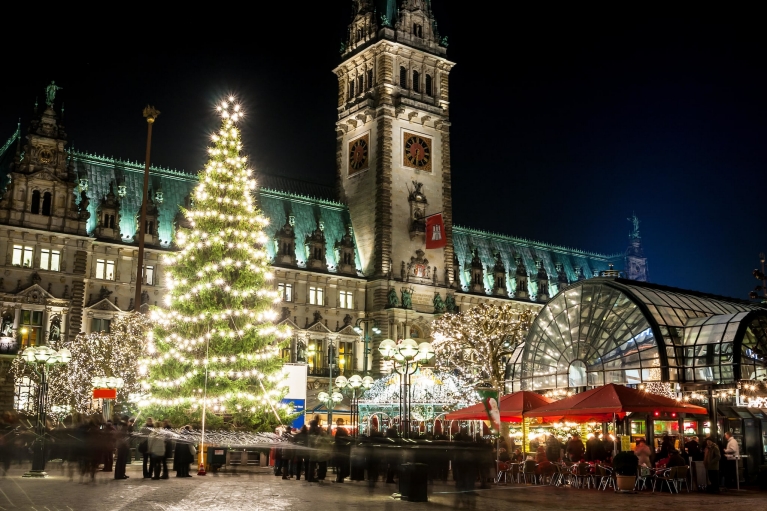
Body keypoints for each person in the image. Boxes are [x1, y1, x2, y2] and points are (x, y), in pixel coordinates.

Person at [333, 418, 350, 483]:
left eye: (338, 422)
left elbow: (337, 440)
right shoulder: (344, 430)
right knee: (341, 465)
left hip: (340, 450)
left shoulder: (340, 431)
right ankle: (340, 478)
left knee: (339, 465)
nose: (337, 423)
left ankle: (339, 478)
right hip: (342, 450)